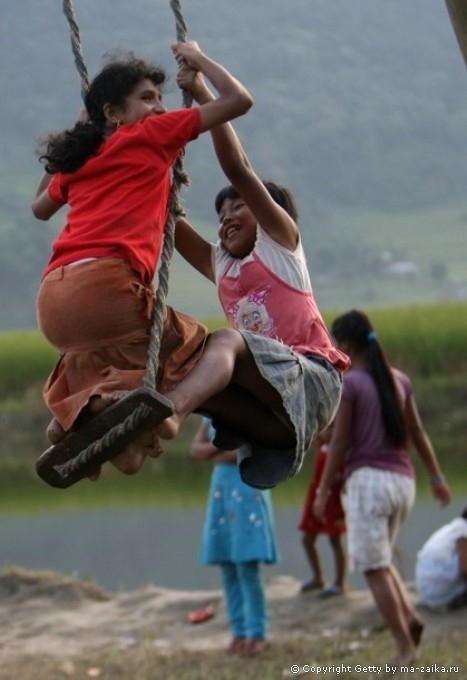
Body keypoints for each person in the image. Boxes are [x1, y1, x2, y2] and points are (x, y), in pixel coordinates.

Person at [32, 40, 253, 476]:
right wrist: (199, 64)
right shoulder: (152, 133)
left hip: (54, 301)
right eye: (147, 98)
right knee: (195, 345)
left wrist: (75, 133)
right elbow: (240, 101)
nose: (158, 107)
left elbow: (40, 206)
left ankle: (80, 423)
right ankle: (164, 418)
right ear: (114, 113)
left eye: (161, 98)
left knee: (123, 414)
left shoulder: (82, 158)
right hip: (106, 289)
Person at [155, 64, 350, 491]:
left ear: (267, 213)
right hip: (272, 417)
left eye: (238, 208)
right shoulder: (223, 265)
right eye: (221, 215)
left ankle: (171, 411)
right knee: (180, 354)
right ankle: (135, 442)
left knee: (221, 340)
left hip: (312, 385)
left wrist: (205, 91)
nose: (226, 220)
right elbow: (164, 218)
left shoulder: (280, 245)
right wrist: (138, 147)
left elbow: (238, 170)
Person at [313, 309, 451, 668]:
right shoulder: (399, 380)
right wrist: (436, 478)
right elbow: (418, 434)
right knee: (382, 558)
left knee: (372, 567)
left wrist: (323, 490)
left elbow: (340, 442)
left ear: (343, 345)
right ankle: (410, 617)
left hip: (368, 484)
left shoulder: (352, 383)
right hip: (403, 483)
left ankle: (405, 649)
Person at [191, 416, 278, 655]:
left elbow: (242, 452)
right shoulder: (209, 417)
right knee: (228, 565)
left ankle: (257, 633)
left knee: (247, 566)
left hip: (247, 489)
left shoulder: (246, 411)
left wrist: (213, 453)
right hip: (222, 488)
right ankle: (238, 631)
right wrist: (220, 451)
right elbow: (195, 451)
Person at [298, 422, 346, 596]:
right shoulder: (323, 447)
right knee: (307, 539)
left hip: (332, 501)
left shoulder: (340, 451)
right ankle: (318, 577)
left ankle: (340, 582)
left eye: (332, 428)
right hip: (316, 499)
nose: (327, 432)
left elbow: (343, 475)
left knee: (335, 541)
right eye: (325, 427)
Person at [415, 507, 467, 610]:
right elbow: (465, 569)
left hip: (427, 592)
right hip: (439, 591)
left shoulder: (455, 527)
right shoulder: (463, 530)